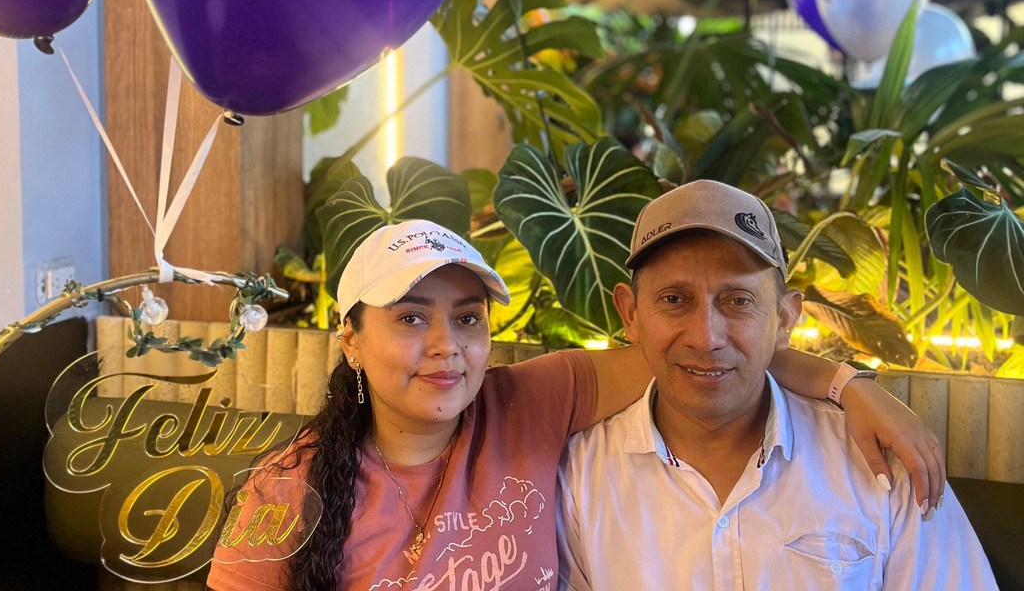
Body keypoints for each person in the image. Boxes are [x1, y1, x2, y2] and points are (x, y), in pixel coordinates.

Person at [207, 218, 945, 591]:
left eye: (467, 318)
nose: (446, 347)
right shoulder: (287, 490)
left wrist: (849, 386)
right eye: (409, 318)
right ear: (350, 339)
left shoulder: (529, 401)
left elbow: (699, 355)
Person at [557, 180, 996, 591]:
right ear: (630, 314)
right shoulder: (579, 477)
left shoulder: (883, 465)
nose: (705, 338)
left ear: (785, 319)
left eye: (738, 301)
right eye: (674, 299)